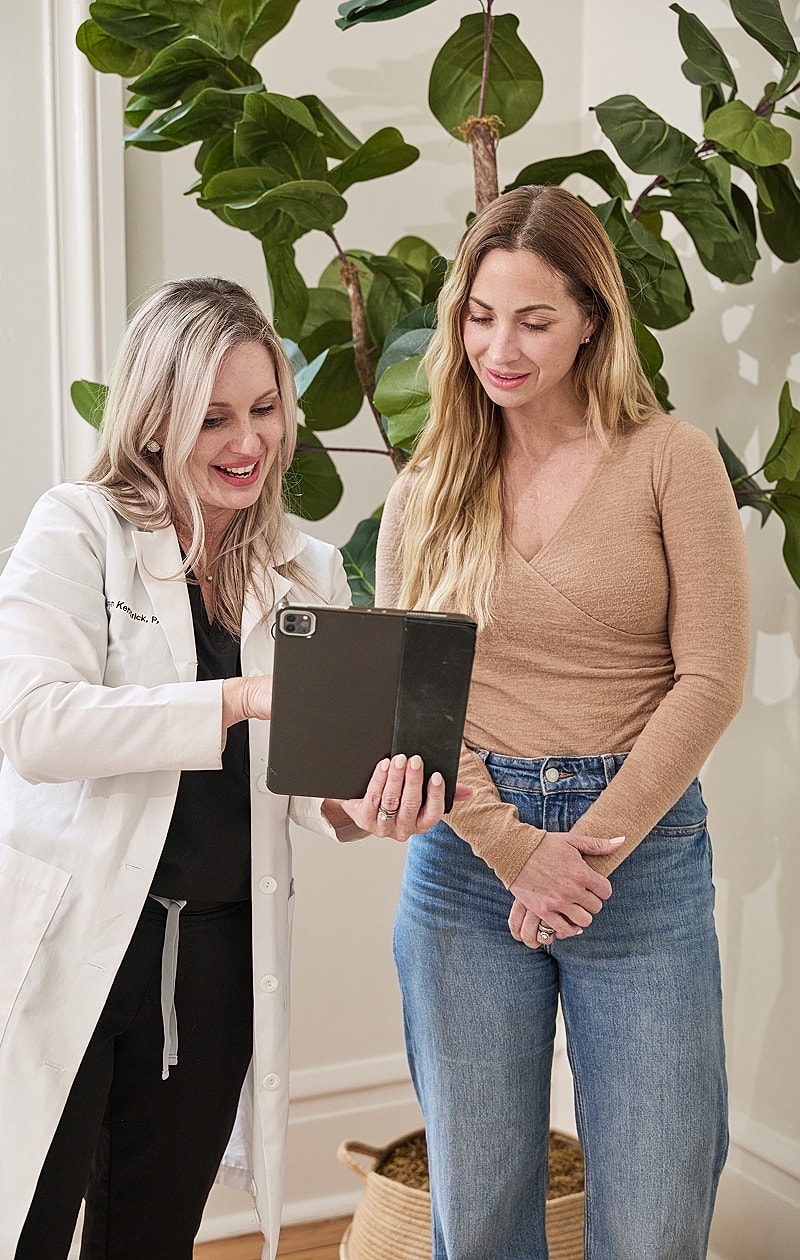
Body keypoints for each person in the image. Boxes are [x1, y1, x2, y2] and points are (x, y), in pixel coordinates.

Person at [0, 276, 455, 1260]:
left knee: (153, 1235)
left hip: (213, 967)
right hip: (69, 942)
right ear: (154, 416)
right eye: (213, 417)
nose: (247, 442)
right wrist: (237, 698)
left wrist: (368, 808)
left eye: (262, 410)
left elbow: (311, 790)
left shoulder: (306, 567)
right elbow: (36, 728)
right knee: (25, 1226)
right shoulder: (77, 529)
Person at [375, 185, 750, 1260]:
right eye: (479, 316)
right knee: (480, 1214)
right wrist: (511, 849)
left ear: (592, 317)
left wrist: (584, 850)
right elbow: (411, 697)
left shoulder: (670, 460)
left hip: (635, 857)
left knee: (653, 1212)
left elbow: (711, 677)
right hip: (464, 861)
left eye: (533, 320)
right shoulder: (426, 486)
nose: (500, 346)